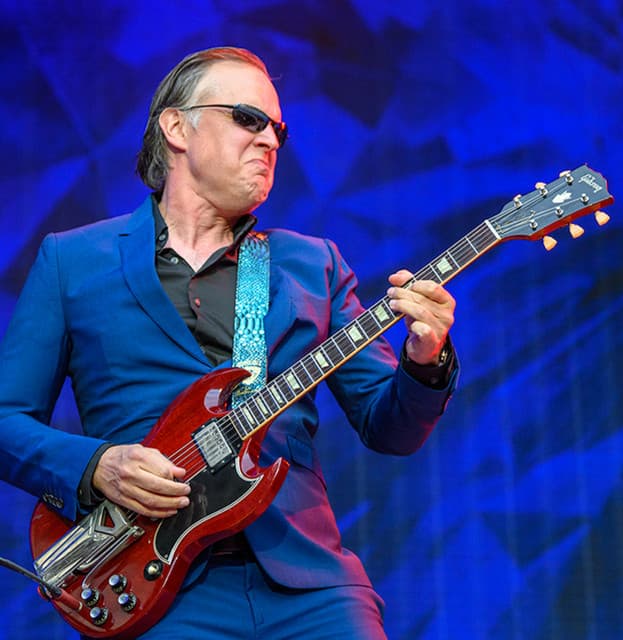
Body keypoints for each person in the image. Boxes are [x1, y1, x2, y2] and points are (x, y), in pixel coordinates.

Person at [0, 47, 458, 639]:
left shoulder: (312, 264)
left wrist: (425, 359)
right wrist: (97, 466)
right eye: (248, 118)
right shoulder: (73, 260)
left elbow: (390, 429)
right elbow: (5, 421)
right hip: (156, 590)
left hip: (311, 586)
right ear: (176, 127)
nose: (269, 139)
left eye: (278, 130)